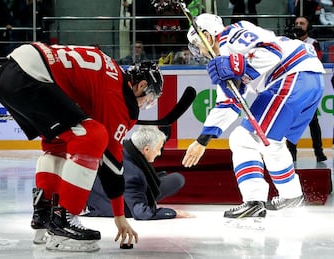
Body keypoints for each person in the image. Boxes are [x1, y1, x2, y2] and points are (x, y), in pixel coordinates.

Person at [0, 43, 164, 251]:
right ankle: (64, 221)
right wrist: (119, 216)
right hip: (31, 76)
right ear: (141, 85)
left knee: (59, 143)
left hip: (11, 72)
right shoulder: (116, 95)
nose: (146, 105)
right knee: (93, 136)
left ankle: (45, 215)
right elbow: (112, 159)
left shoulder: (110, 76)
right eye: (150, 99)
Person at [182, 13, 325, 220]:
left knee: (243, 139)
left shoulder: (231, 35)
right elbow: (229, 102)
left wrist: (238, 65)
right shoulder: (223, 59)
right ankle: (291, 196)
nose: (198, 50)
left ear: (208, 35)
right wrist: (202, 140)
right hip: (308, 79)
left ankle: (253, 201)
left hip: (292, 74)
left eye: (197, 43)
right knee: (272, 144)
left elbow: (272, 50)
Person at [86, 125, 193, 220]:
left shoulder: (121, 148)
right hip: (104, 205)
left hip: (98, 192)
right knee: (176, 179)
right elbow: (141, 212)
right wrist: (173, 213)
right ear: (146, 149)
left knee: (175, 179)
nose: (159, 153)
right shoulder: (133, 175)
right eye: (158, 149)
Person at [286, 16, 327, 162]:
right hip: (293, 88)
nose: (298, 25)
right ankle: (291, 152)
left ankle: (319, 151)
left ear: (308, 27)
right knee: (289, 121)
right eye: (296, 23)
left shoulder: (312, 43)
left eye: (302, 23)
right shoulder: (289, 43)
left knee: (313, 121)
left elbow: (316, 61)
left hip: (308, 88)